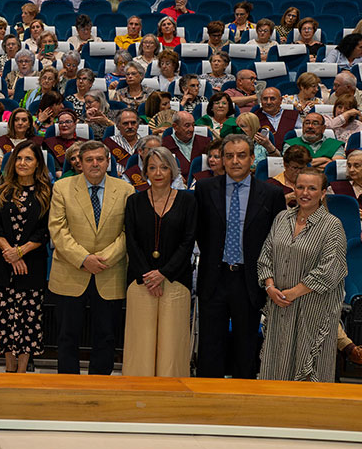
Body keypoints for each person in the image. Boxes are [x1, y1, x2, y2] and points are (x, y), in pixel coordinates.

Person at [193, 134, 287, 379]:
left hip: (249, 280)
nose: (235, 161)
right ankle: (207, 400)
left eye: (241, 155)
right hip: (215, 275)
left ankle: (242, 402)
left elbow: (277, 240)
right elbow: (199, 231)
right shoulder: (204, 189)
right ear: (222, 159)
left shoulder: (271, 194)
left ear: (252, 159)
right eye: (229, 156)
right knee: (210, 345)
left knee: (246, 346)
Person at [48, 140, 134, 375]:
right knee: (67, 336)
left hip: (110, 272)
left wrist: (103, 259)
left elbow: (130, 232)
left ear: (108, 162)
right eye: (89, 160)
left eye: (100, 159)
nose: (95, 164)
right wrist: (84, 258)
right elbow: (58, 230)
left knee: (106, 336)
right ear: (80, 164)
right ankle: (69, 388)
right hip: (70, 271)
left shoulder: (126, 190)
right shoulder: (62, 187)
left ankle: (100, 387)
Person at [257, 169, 347, 382]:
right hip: (279, 306)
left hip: (313, 309)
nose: (305, 193)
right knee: (276, 366)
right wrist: (270, 287)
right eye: (300, 187)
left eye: (312, 188)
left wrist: (293, 293)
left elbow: (332, 268)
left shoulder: (332, 225)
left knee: (310, 371)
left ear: (323, 193)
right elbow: (266, 255)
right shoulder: (281, 218)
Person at [122, 147, 196, 377]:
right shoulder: (134, 201)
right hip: (141, 280)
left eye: (164, 167)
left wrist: (163, 273)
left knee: (172, 344)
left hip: (175, 280)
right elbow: (131, 241)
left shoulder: (187, 201)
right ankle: (138, 394)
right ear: (145, 172)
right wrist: (148, 274)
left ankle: (171, 396)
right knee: (140, 342)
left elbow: (188, 242)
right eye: (152, 167)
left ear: (173, 171)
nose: (158, 173)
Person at [0, 142, 51, 372]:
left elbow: (45, 230)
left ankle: (22, 370)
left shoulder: (46, 191)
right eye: (19, 158)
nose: (23, 163)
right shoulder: (0, 187)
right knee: (3, 317)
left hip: (32, 264)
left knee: (28, 320)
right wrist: (10, 254)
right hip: (3, 264)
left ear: (37, 164)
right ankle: (9, 367)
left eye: (28, 159)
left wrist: (21, 252)